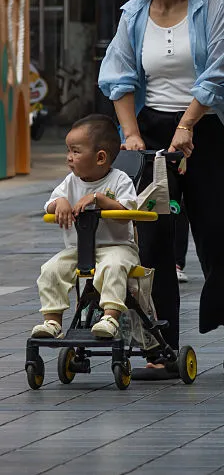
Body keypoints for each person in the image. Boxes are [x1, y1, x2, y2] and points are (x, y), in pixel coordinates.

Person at [99, 0, 224, 374]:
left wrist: (188, 125)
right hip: (151, 136)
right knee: (153, 244)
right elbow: (119, 77)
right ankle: (159, 345)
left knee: (217, 237)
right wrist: (131, 135)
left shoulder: (212, 1)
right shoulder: (132, 13)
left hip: (207, 130)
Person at [32, 115, 140, 340]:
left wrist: (98, 199)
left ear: (100, 157)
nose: (69, 158)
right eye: (68, 151)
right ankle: (52, 321)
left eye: (75, 151)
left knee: (113, 266)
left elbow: (127, 212)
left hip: (117, 247)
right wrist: (59, 203)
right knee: (51, 270)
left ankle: (110, 317)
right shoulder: (71, 181)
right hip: (79, 250)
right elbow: (51, 204)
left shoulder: (120, 181)